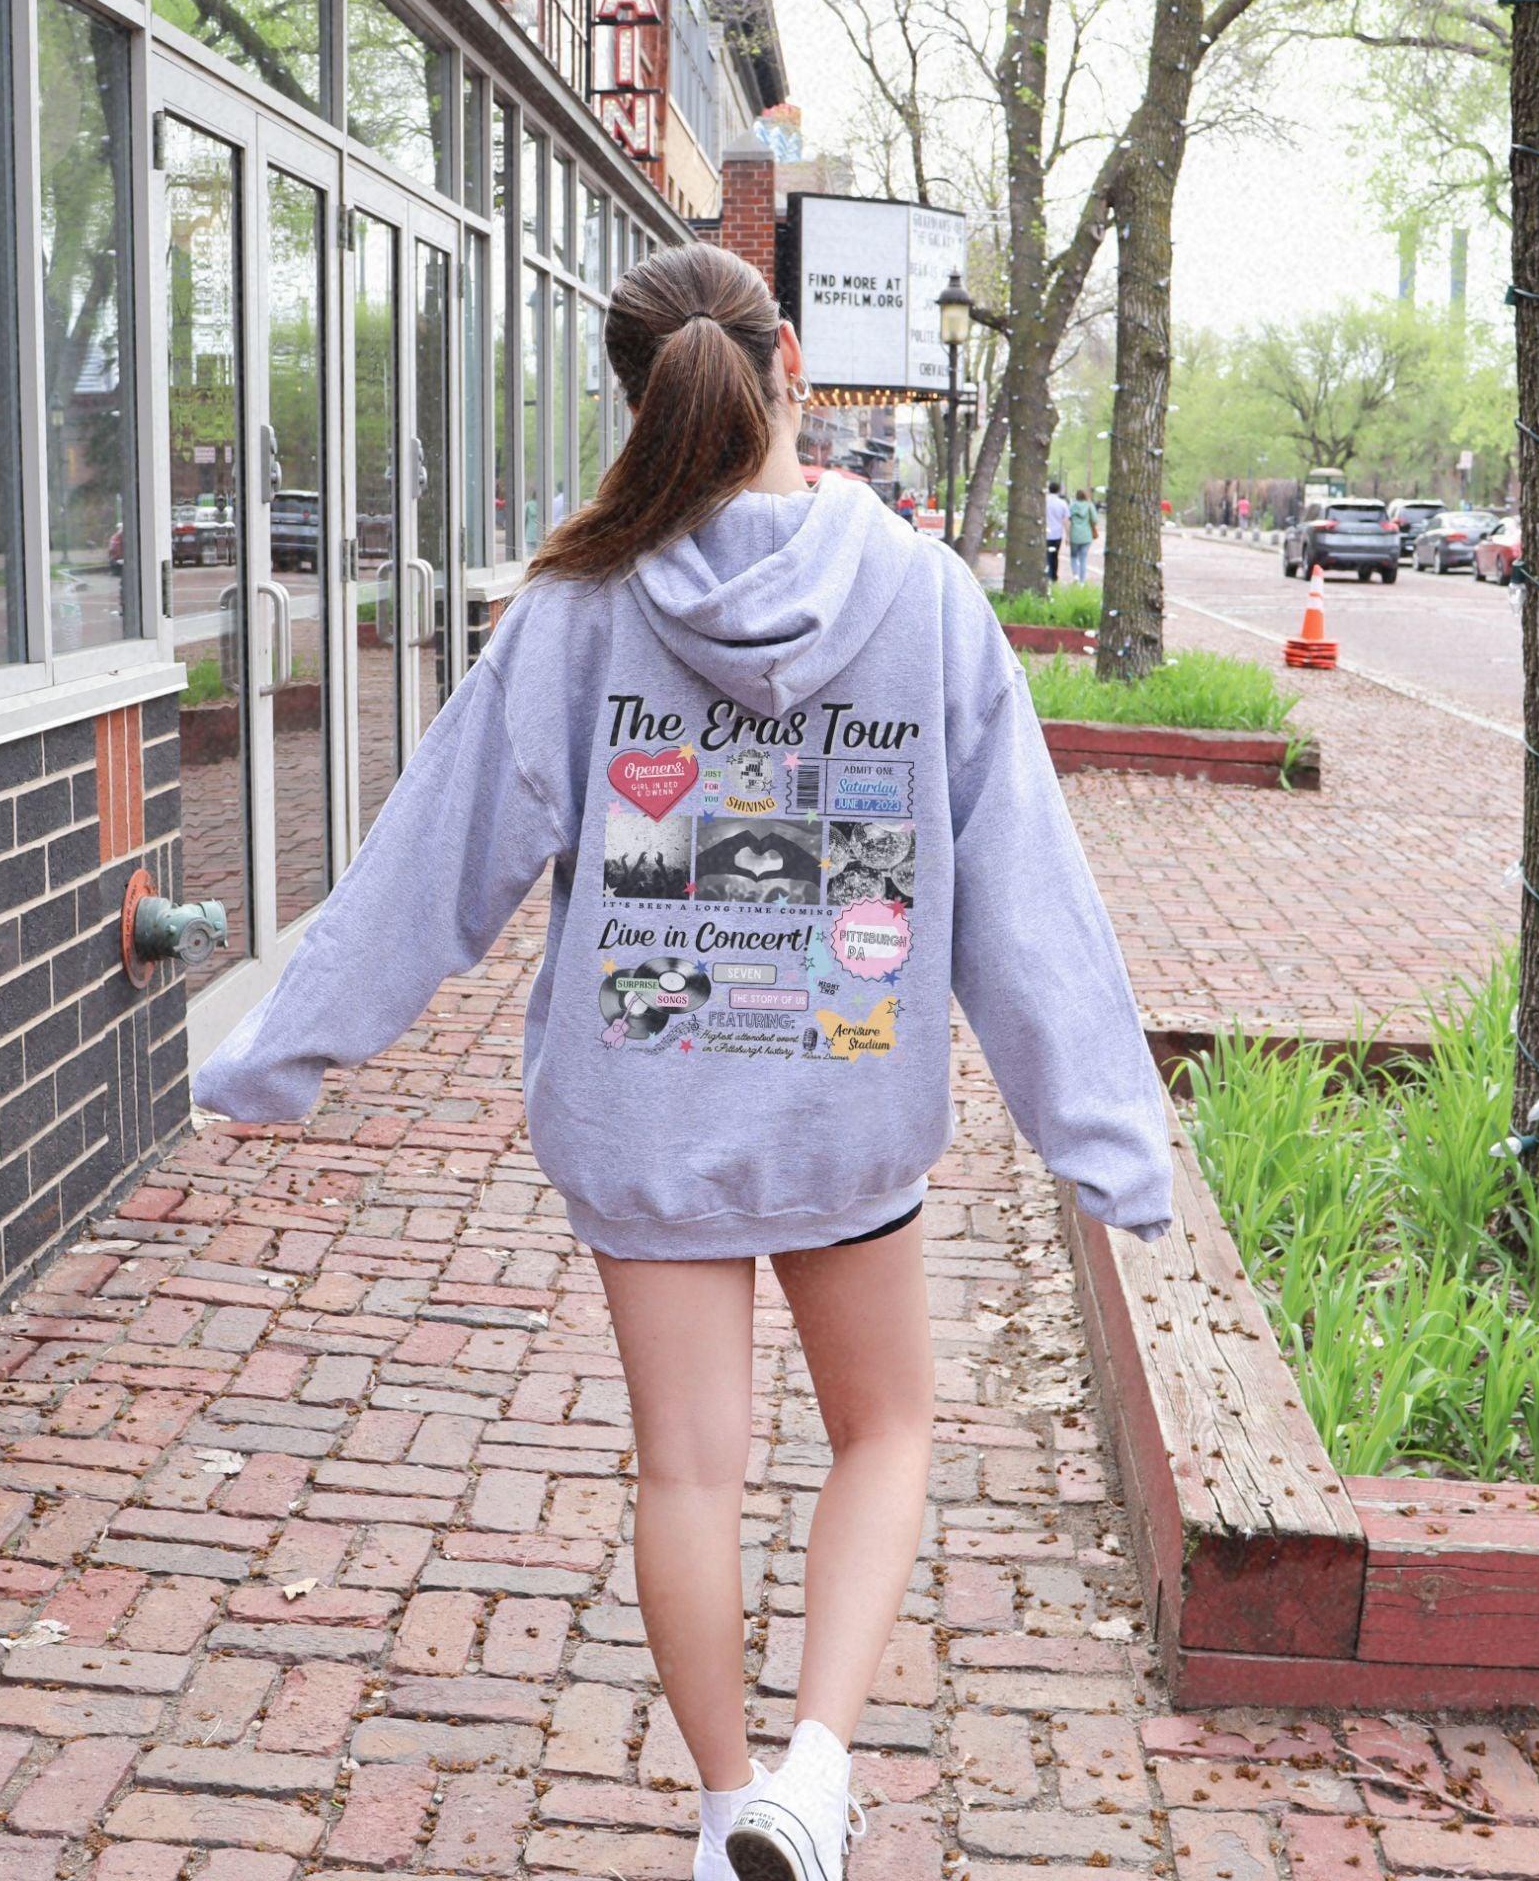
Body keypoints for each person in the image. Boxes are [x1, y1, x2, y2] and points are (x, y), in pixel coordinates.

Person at [194, 243, 1173, 1881]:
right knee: (885, 1434)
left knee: (689, 1473)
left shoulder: (577, 608)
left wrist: (277, 1049)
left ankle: (728, 1813)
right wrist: (1108, 1141)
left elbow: (433, 857)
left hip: (645, 1116)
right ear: (794, 368)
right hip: (846, 1108)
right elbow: (1026, 896)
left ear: (635, 401)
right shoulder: (927, 600)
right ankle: (818, 1771)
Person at [1068, 487, 1098, 582]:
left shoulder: (1072, 506)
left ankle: (1075, 575)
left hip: (1074, 535)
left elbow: (1068, 519)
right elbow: (1095, 520)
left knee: (1073, 556)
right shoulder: (1089, 506)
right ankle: (1082, 581)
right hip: (1086, 535)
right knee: (1083, 558)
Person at [1044, 478, 1068, 582]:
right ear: (1058, 490)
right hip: (1057, 534)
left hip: (1045, 533)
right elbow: (1066, 520)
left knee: (1046, 555)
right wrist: (1068, 535)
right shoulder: (1062, 503)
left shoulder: (1044, 502)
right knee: (1054, 555)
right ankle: (1053, 576)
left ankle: (1047, 575)